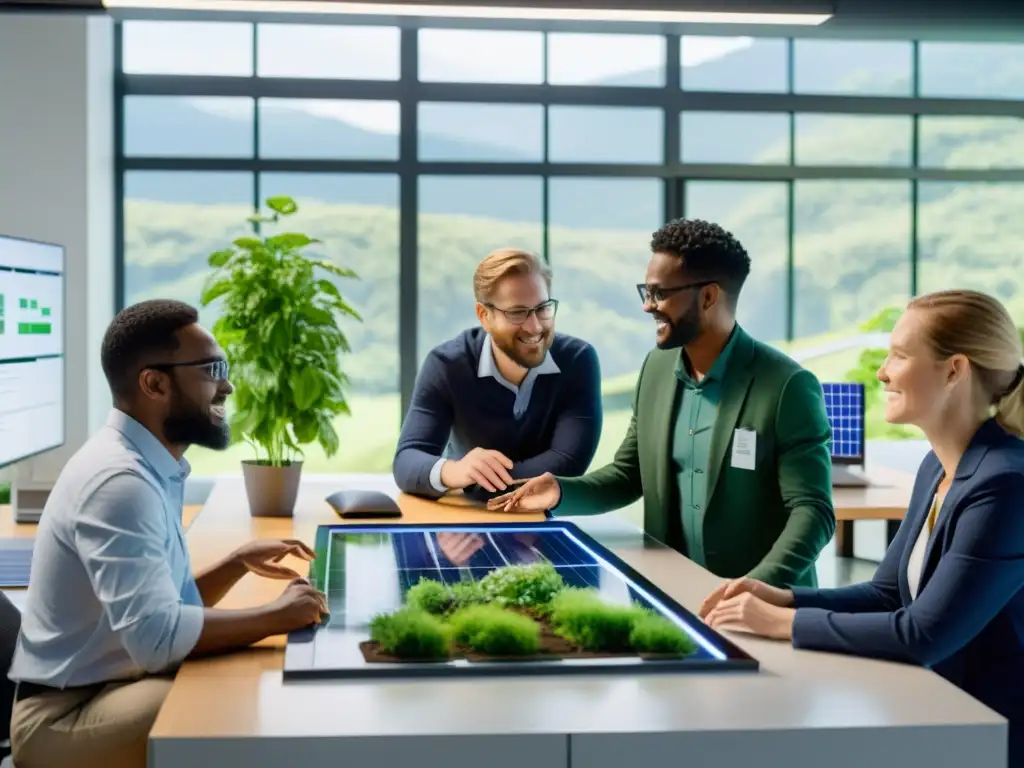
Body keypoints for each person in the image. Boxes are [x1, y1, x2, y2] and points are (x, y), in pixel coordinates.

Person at [698, 289, 1024, 763]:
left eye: (899, 355)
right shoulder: (937, 466)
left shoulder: (1005, 485)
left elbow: (922, 635)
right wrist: (787, 597)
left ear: (954, 370)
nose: (882, 371)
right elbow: (887, 594)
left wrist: (779, 623)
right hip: (939, 714)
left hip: (992, 736)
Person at [8, 299, 327, 768]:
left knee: (235, 678)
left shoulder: (147, 464)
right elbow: (157, 639)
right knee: (226, 701)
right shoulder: (120, 482)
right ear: (154, 383)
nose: (228, 384)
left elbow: (158, 614)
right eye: (212, 369)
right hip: (61, 719)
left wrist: (235, 563)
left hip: (111, 683)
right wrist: (276, 615)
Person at [490, 219, 835, 589]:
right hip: (674, 594)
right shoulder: (656, 368)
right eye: (646, 291)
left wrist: (758, 587)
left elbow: (813, 513)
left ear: (708, 297)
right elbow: (628, 475)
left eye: (659, 293)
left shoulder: (787, 387)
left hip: (762, 606)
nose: (648, 306)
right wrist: (561, 491)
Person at [393, 247, 602, 501]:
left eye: (542, 308)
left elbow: (568, 463)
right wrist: (455, 470)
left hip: (541, 518)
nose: (534, 326)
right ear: (484, 316)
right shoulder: (447, 365)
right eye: (517, 313)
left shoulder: (578, 361)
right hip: (467, 525)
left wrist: (473, 484)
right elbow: (407, 461)